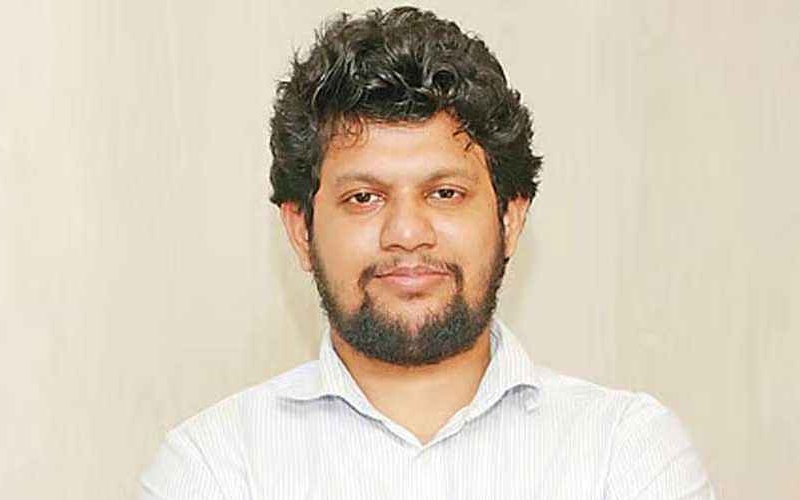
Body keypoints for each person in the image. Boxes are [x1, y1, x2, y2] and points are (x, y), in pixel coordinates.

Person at [139, 6, 715, 499]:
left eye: (445, 193)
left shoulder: (626, 455)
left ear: (510, 219)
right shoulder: (214, 469)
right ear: (301, 231)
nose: (407, 233)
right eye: (364, 198)